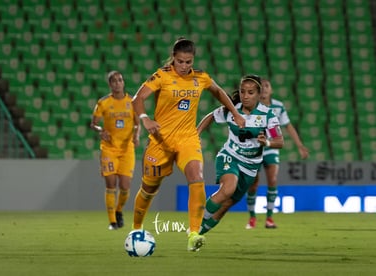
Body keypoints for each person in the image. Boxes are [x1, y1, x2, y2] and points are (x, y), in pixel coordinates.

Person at [130, 37, 245, 252]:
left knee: (196, 177)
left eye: (188, 62)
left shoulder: (200, 77)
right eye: (180, 61)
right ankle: (136, 228)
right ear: (173, 58)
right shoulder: (162, 76)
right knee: (148, 188)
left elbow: (219, 91)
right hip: (161, 141)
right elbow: (137, 99)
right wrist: (145, 118)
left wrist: (236, 113)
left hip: (187, 138)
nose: (184, 66)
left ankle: (193, 233)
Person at [196, 74, 284, 235]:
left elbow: (279, 141)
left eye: (250, 92)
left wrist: (267, 143)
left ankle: (198, 234)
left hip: (251, 166)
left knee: (227, 204)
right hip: (230, 156)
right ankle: (195, 226)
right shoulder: (232, 110)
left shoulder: (268, 115)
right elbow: (211, 117)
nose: (245, 96)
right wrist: (197, 134)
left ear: (258, 94)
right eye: (243, 92)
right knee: (228, 188)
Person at [245, 79, 309, 229]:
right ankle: (252, 218)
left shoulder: (278, 107)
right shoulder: (251, 106)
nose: (265, 89)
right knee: (253, 183)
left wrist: (299, 145)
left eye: (267, 86)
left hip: (271, 148)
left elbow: (288, 126)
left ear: (271, 90)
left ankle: (269, 218)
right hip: (253, 149)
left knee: (272, 180)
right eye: (262, 87)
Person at [90, 71, 141, 230]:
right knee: (111, 184)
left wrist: (137, 136)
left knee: (125, 186)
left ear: (123, 82)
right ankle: (112, 221)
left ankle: (119, 210)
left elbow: (138, 123)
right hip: (109, 149)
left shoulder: (132, 102)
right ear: (110, 85)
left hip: (127, 149)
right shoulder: (103, 102)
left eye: (120, 80)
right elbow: (93, 123)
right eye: (114, 81)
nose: (117, 83)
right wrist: (100, 130)